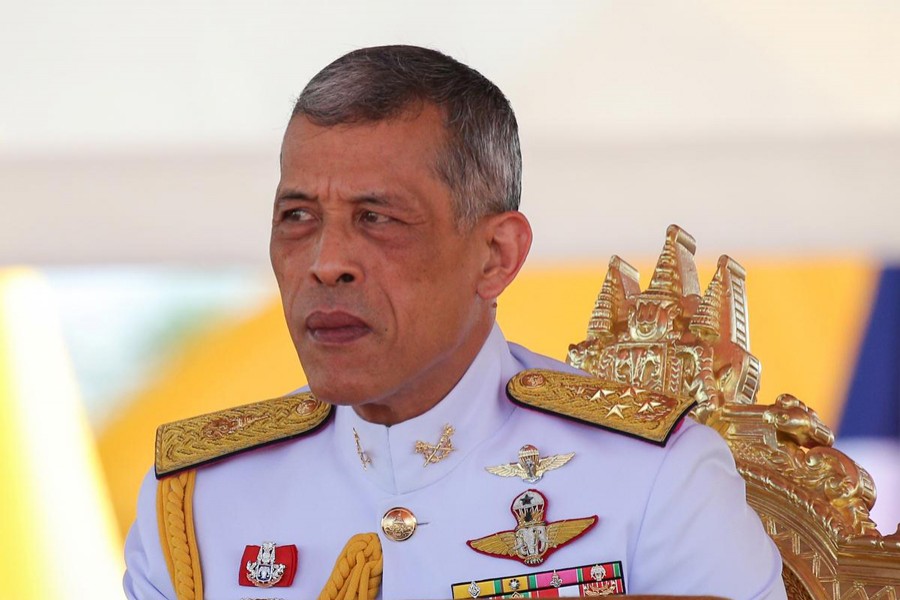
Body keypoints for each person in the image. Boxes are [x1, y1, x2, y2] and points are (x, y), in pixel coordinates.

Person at [124, 45, 787, 599]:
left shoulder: (655, 476)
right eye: (298, 217)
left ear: (495, 256)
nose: (325, 264)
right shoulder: (197, 500)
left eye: (378, 218)